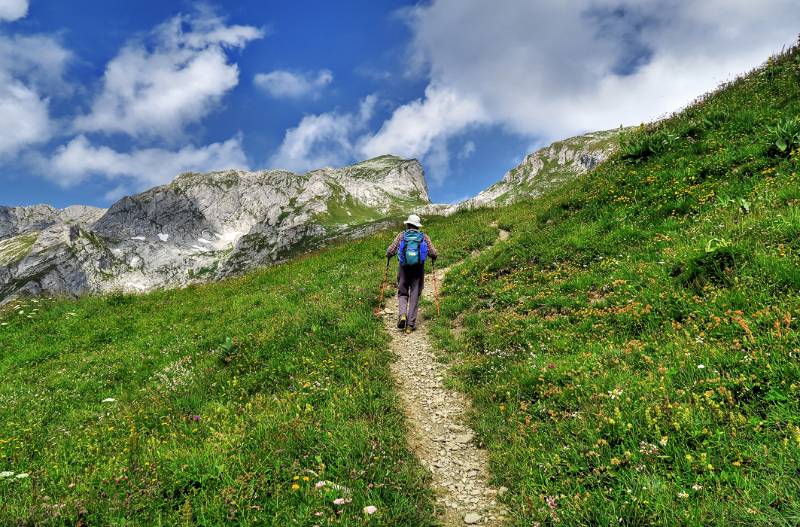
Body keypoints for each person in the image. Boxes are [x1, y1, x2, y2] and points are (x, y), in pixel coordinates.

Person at [386, 214, 438, 333]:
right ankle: (410, 325)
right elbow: (433, 252)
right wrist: (434, 256)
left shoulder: (402, 235)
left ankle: (402, 315)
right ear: (418, 226)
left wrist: (388, 255)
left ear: (408, 224)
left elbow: (391, 250)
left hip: (403, 268)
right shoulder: (424, 237)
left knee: (403, 292)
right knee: (415, 293)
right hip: (418, 269)